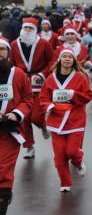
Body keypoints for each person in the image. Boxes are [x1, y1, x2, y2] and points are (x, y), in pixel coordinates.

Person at [39, 48, 92, 192]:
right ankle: (65, 183)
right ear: (60, 60)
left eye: (70, 57)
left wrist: (73, 94)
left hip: (75, 121)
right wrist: (48, 106)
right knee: (59, 156)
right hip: (56, 122)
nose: (67, 59)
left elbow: (88, 96)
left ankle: (79, 161)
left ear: (74, 60)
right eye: (64, 57)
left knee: (71, 151)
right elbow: (43, 97)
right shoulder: (51, 78)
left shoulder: (80, 77)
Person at [9, 17, 54, 159]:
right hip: (21, 83)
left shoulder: (44, 44)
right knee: (24, 118)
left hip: (39, 84)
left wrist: (42, 74)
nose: (27, 31)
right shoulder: (14, 44)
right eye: (26, 28)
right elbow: (12, 63)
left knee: (35, 116)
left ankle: (43, 125)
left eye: (31, 28)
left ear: (36, 30)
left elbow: (52, 61)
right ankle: (29, 146)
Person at [0, 36, 33, 215]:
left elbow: (28, 98)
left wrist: (16, 113)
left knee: (3, 170)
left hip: (8, 132)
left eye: (2, 50)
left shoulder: (18, 74)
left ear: (8, 52)